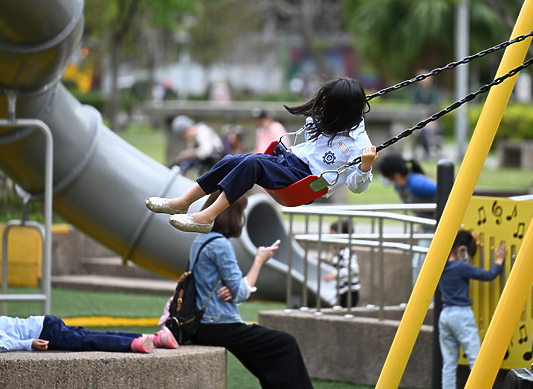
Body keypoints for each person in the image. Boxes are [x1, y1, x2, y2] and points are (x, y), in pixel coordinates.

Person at [146, 77, 378, 233]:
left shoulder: (360, 144)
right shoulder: (329, 122)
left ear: (344, 110)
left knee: (253, 163)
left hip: (304, 181)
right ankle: (183, 202)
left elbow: (356, 186)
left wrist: (365, 166)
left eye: (330, 106)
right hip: (287, 162)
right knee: (232, 160)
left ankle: (207, 217)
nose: (323, 110)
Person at [173, 191, 314, 388]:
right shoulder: (221, 244)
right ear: (232, 215)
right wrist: (259, 260)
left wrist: (232, 287)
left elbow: (217, 283)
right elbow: (240, 294)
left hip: (201, 323)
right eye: (240, 213)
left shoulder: (201, 240)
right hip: (218, 325)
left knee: (274, 351)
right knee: (284, 343)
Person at [438, 229, 506, 389]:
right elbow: (488, 275)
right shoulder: (460, 267)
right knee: (476, 361)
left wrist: (470, 240)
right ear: (461, 249)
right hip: (461, 316)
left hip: (445, 315)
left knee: (448, 365)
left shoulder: (441, 265)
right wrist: (499, 260)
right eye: (467, 252)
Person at [0, 315, 178, 353]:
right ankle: (155, 338)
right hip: (44, 324)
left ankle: (134, 344)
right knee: (89, 334)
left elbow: (7, 341)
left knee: (87, 341)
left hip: (43, 330)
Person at [378, 153, 437, 284]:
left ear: (396, 175)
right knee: (419, 268)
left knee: (421, 270)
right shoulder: (399, 186)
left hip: (436, 229)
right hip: (427, 228)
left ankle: (427, 303)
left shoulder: (417, 184)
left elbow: (448, 191)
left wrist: (440, 208)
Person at [323, 219, 361, 308]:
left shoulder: (347, 253)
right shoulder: (339, 253)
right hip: (342, 291)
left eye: (332, 235)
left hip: (349, 293)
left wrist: (335, 275)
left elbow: (353, 269)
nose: (330, 238)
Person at [409, 69, 441, 159]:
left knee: (428, 128)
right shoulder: (415, 91)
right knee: (425, 128)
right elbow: (414, 106)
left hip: (431, 119)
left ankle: (430, 149)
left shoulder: (433, 90)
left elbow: (434, 106)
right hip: (419, 119)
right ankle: (431, 148)